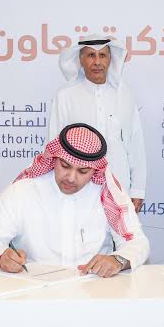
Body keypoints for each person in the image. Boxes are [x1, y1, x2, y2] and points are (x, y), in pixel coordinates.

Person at [0, 123, 153, 327]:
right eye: (65, 166)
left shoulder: (107, 191)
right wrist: (2, 258)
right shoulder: (24, 190)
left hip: (93, 296)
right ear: (54, 158)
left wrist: (118, 259)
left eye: (83, 171)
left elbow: (138, 242)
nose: (71, 178)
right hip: (34, 298)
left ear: (95, 170)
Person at [51, 34, 146, 212]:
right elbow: (54, 145)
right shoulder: (65, 96)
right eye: (91, 55)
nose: (97, 62)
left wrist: (138, 189)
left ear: (110, 59)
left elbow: (135, 144)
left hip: (118, 183)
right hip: (78, 186)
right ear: (80, 59)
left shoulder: (124, 95)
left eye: (102, 55)